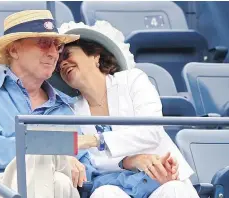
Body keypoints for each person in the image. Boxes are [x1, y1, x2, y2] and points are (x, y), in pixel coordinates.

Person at [0, 10, 81, 198]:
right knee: (43, 160)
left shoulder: (64, 108)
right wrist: (56, 153)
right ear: (13, 50)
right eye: (43, 43)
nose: (53, 53)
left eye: (57, 46)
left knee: (60, 181)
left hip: (53, 187)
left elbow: (83, 165)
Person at [57, 21, 200, 198]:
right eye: (58, 62)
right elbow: (90, 163)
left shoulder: (133, 80)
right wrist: (128, 161)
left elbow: (151, 131)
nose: (62, 63)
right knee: (104, 194)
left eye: (67, 54)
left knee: (175, 190)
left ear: (95, 56)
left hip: (161, 179)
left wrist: (95, 140)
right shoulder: (70, 110)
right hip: (112, 186)